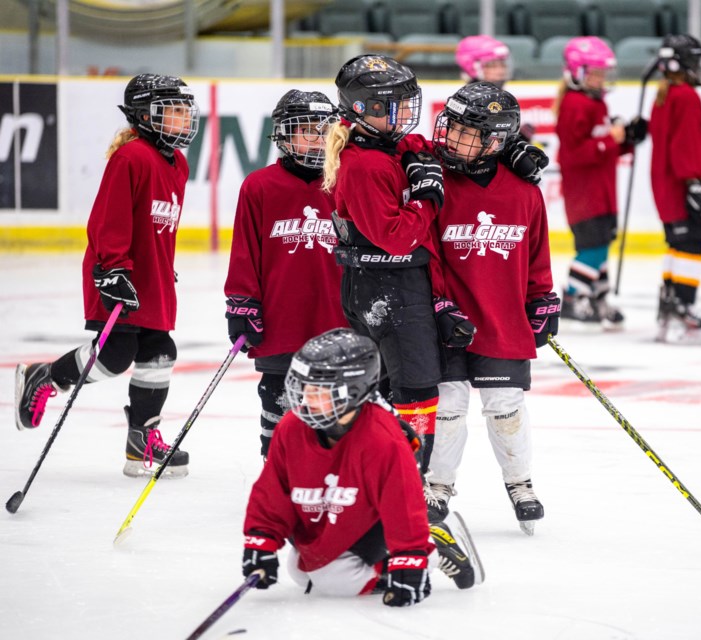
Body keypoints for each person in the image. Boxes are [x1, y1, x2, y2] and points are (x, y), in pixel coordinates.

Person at [13, 74, 196, 478]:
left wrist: (162, 268)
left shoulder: (177, 164)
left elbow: (159, 225)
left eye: (186, 111)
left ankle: (141, 441)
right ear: (147, 115)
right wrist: (113, 270)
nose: (185, 119)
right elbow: (106, 221)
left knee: (161, 352)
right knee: (115, 355)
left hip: (152, 277)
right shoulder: (131, 158)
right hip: (116, 273)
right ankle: (45, 376)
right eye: (175, 111)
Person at [241, 329, 481, 605]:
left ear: (352, 392)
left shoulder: (382, 438)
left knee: (337, 579)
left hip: (374, 516)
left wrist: (411, 559)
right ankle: (422, 544)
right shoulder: (292, 428)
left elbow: (401, 504)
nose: (306, 400)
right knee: (301, 572)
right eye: (304, 389)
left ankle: (432, 548)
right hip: (329, 506)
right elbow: (273, 490)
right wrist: (261, 540)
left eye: (319, 392)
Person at [321, 54, 474, 474]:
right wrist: (428, 198)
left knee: (391, 390)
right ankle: (407, 486)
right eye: (396, 106)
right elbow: (397, 236)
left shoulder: (380, 148)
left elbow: (415, 147)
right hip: (390, 289)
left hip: (380, 287)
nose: (407, 114)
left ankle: (386, 481)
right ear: (364, 110)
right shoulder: (365, 165)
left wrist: (419, 157)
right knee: (416, 391)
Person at [423, 82, 559, 535]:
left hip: (502, 319)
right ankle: (437, 486)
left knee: (506, 405)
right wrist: (439, 303)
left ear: (496, 141)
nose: (453, 139)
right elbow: (427, 253)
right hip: (449, 322)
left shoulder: (523, 192)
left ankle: (520, 483)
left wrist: (543, 298)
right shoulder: (435, 181)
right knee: (448, 405)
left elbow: (536, 254)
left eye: (467, 133)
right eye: (453, 128)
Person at [224, 89, 349, 459]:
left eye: (323, 130)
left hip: (337, 318)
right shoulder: (260, 186)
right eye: (305, 130)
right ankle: (277, 475)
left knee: (333, 403)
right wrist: (242, 304)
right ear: (283, 134)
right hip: (282, 319)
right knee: (277, 396)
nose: (316, 138)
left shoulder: (346, 180)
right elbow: (245, 253)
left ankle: (328, 479)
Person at [554, 36, 646, 329]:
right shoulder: (574, 104)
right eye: (595, 73)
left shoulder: (597, 102)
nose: (601, 79)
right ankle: (571, 297)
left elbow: (604, 147)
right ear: (576, 72)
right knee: (592, 247)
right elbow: (574, 154)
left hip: (602, 191)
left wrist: (629, 138)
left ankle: (597, 297)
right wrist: (612, 139)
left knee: (602, 244)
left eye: (603, 73)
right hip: (584, 193)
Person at [648, 34, 701, 344]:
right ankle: (683, 308)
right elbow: (685, 146)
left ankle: (669, 306)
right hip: (681, 186)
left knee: (676, 245)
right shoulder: (686, 96)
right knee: (690, 245)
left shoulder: (665, 93)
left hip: (666, 187)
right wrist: (696, 183)